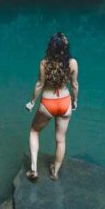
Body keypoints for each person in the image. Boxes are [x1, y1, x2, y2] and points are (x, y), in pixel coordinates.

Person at [25, 32, 79, 181]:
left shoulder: (45, 63)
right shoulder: (72, 63)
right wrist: (75, 101)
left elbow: (40, 84)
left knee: (34, 131)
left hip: (48, 103)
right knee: (60, 140)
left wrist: (32, 102)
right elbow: (74, 85)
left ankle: (34, 169)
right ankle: (54, 172)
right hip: (64, 102)